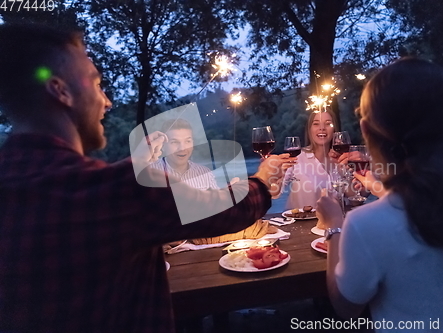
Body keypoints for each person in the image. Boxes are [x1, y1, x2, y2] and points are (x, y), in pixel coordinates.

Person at [0, 23, 294, 333]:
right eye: (97, 84)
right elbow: (229, 209)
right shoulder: (118, 190)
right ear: (60, 91)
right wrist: (261, 181)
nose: (107, 101)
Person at [316, 58, 443, 330]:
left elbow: (346, 307)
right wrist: (379, 188)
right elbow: (422, 201)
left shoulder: (365, 225)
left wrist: (334, 227)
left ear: (365, 130)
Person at [150, 118, 219, 190]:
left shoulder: (205, 173)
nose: (182, 148)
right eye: (174, 142)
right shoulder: (148, 173)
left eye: (187, 141)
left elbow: (217, 200)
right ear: (163, 146)